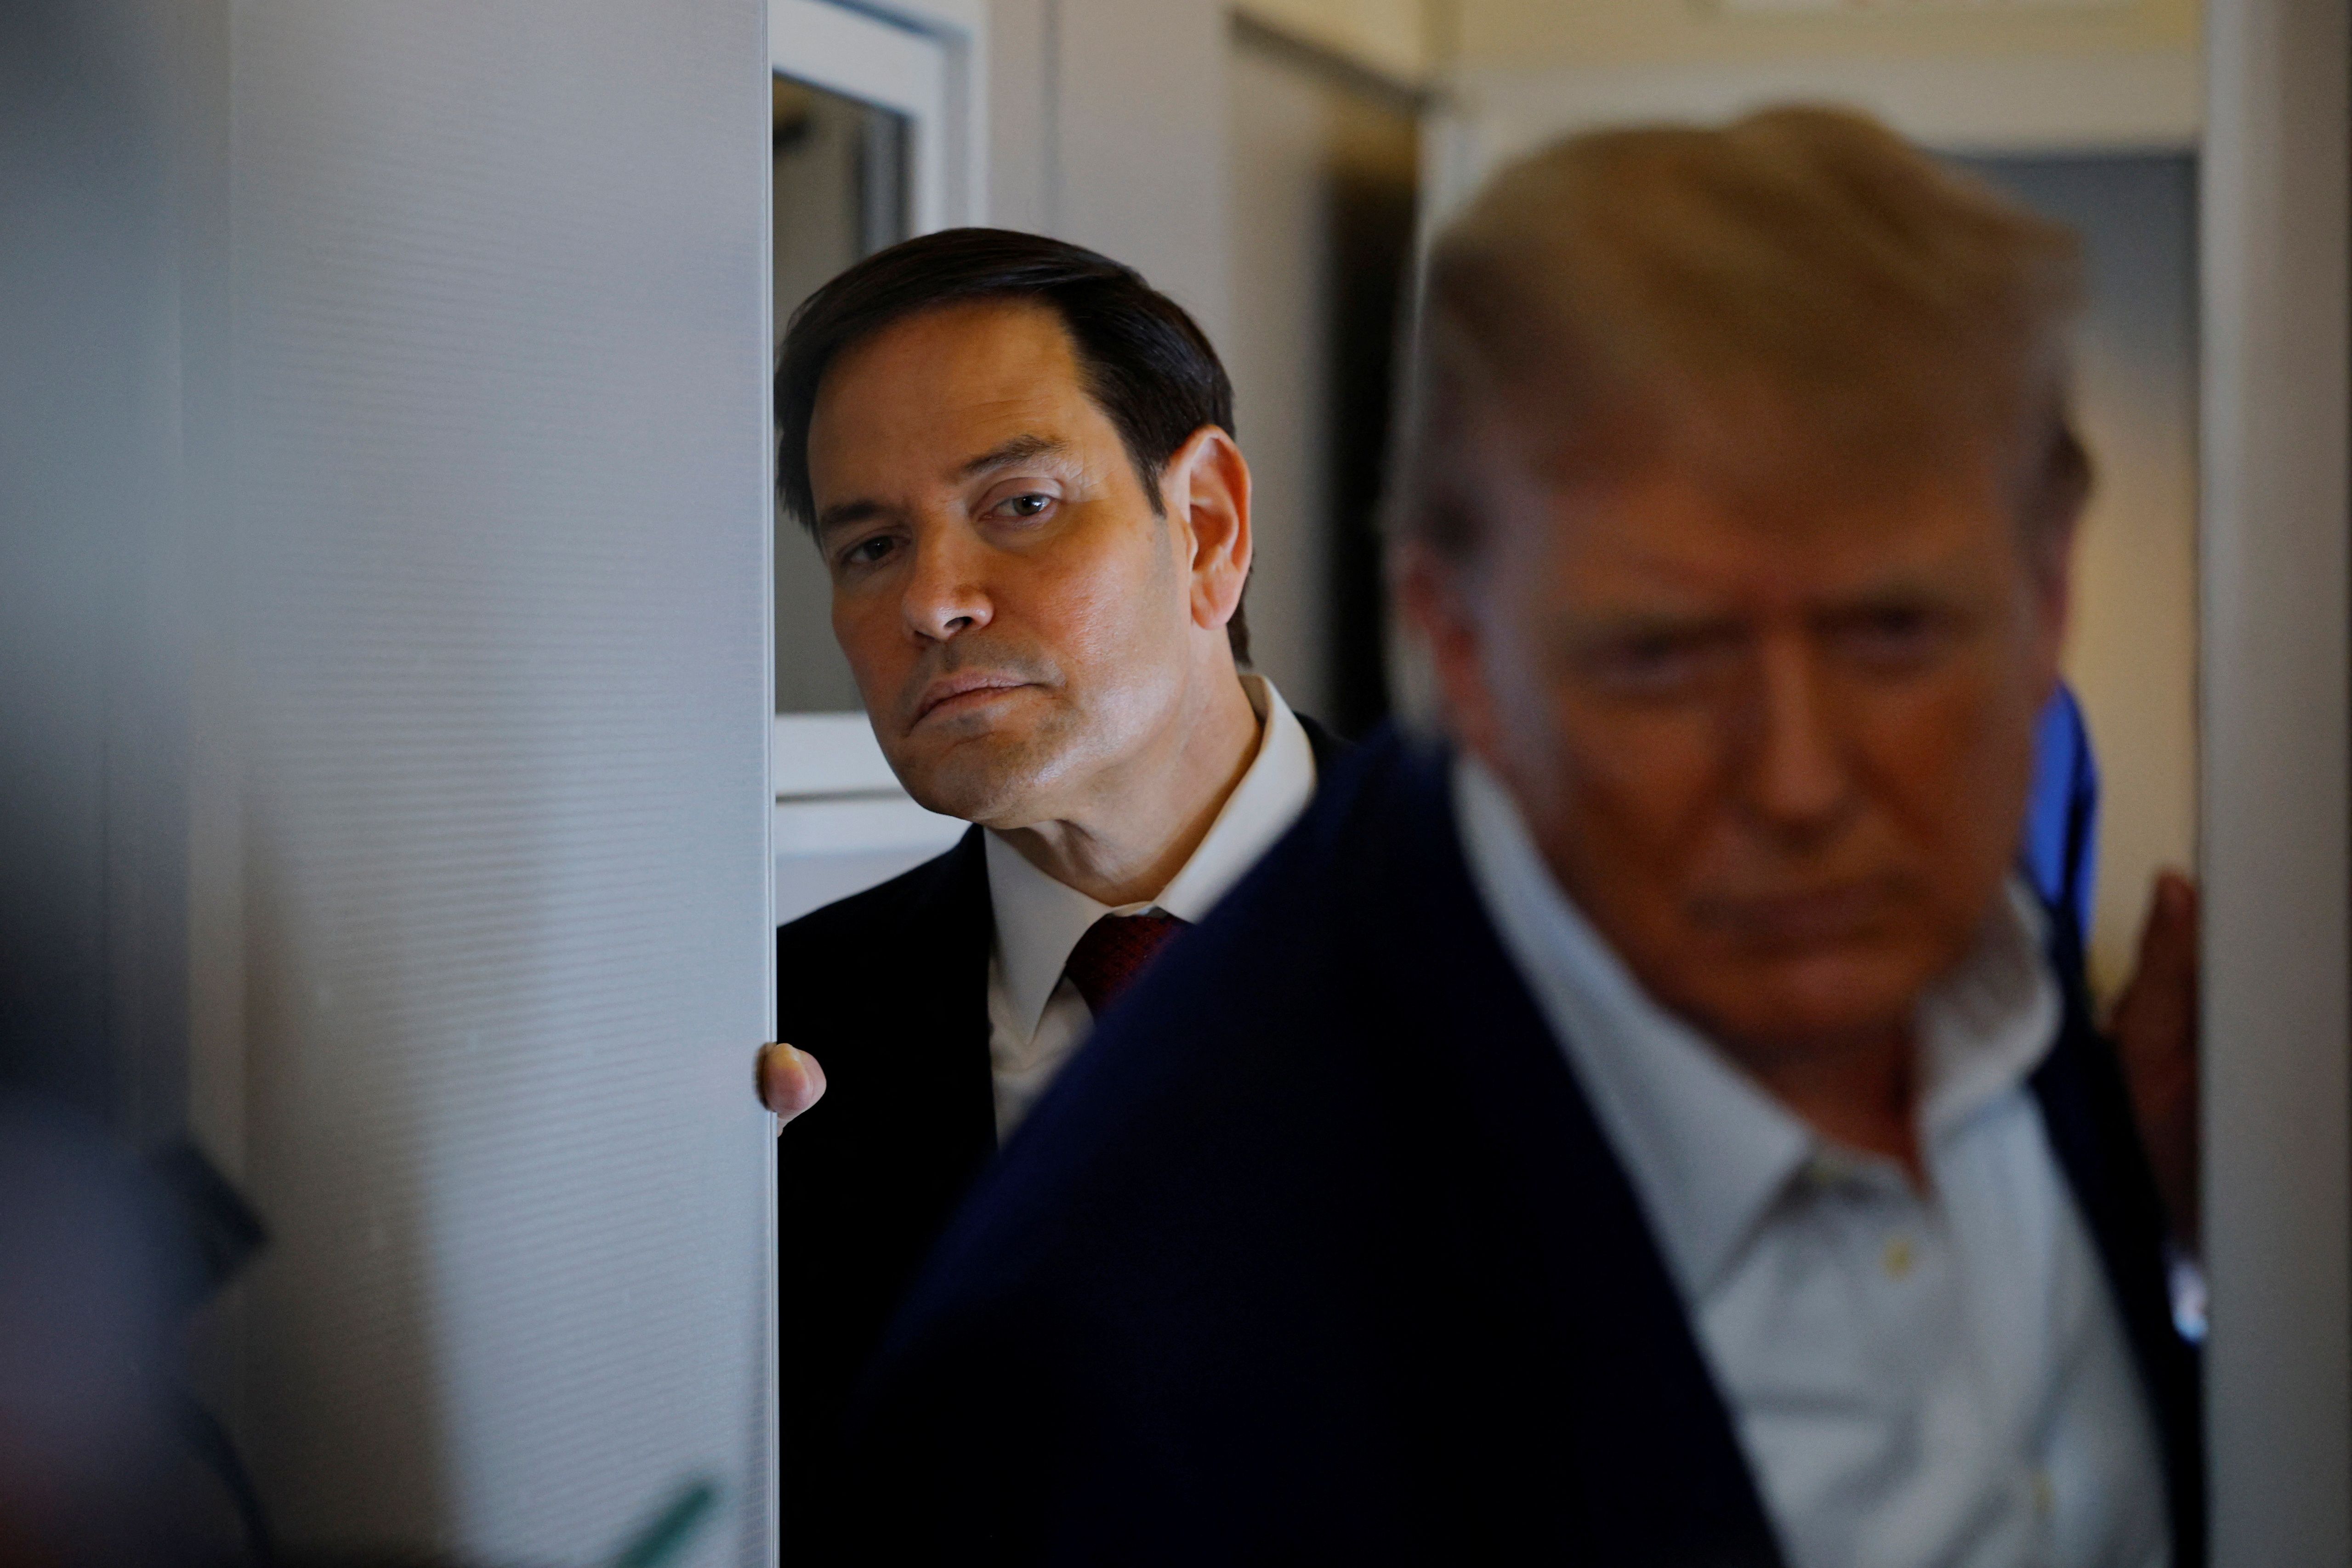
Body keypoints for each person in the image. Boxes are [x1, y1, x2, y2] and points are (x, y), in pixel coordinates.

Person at [839, 109, 2203, 1565]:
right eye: (1664, 655)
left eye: (1896, 632)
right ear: (1459, 643)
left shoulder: (2028, 921)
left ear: (2045, 600)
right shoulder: (1118, 1313)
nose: (1804, 780)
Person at [756, 229, 1348, 1544]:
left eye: (1020, 505)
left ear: (1204, 525)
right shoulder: (773, 1061)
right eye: (869, 546)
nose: (933, 603)